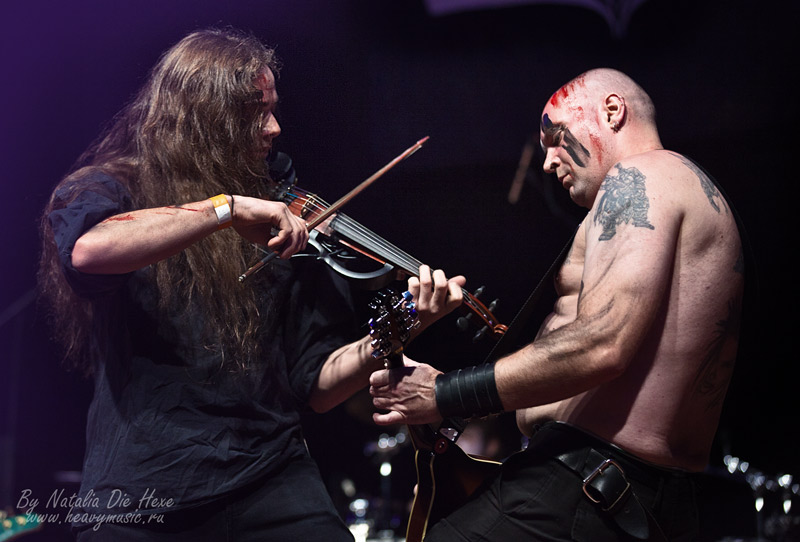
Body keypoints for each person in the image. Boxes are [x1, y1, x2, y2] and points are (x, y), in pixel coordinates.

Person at [38, 28, 465, 541]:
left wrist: (402, 324)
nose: (275, 127)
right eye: (256, 113)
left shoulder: (284, 222)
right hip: (142, 489)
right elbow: (89, 251)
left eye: (273, 108)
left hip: (269, 477)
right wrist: (226, 208)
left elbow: (319, 386)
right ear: (205, 118)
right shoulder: (112, 187)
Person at [369, 68, 744, 541]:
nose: (547, 161)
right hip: (638, 497)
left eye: (556, 136)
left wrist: (441, 393)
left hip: (585, 485)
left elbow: (602, 344)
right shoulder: (684, 189)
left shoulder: (643, 175)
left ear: (612, 111)